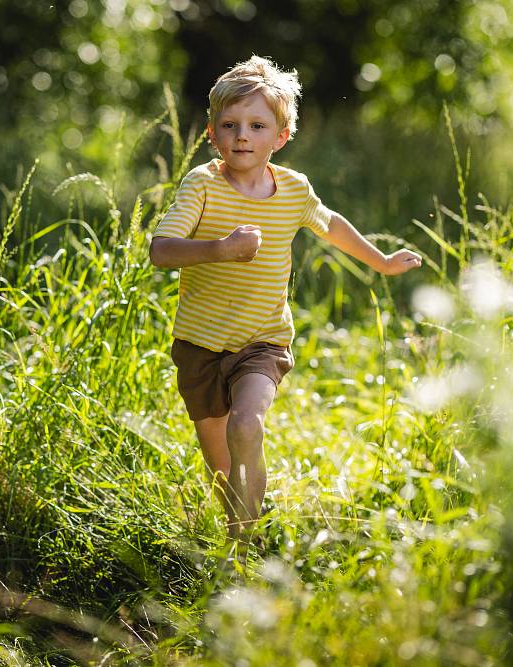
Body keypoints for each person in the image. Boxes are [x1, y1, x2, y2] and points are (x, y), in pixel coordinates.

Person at [149, 55, 421, 556]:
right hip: (200, 346)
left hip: (263, 341)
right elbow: (160, 251)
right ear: (212, 133)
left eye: (257, 125)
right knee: (222, 467)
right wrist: (221, 249)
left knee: (246, 425)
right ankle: (239, 532)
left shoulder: (292, 190)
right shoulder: (202, 186)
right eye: (229, 126)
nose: (242, 136)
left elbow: (330, 222)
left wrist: (381, 262)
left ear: (281, 134)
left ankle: (246, 555)